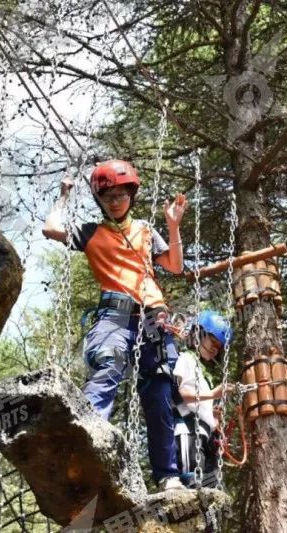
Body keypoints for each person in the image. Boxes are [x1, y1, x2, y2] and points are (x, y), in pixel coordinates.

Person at [42, 159, 189, 491]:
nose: (116, 201)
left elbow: (176, 267)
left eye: (122, 194)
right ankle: (86, 449)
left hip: (154, 317)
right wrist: (63, 197)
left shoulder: (147, 232)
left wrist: (174, 226)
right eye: (108, 196)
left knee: (161, 392)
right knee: (107, 367)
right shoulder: (92, 232)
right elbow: (51, 229)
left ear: (131, 196)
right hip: (114, 315)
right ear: (100, 201)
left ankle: (167, 476)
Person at [172, 310, 234, 488]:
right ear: (198, 334)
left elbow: (197, 401)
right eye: (213, 342)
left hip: (204, 434)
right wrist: (213, 395)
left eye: (219, 347)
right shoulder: (185, 359)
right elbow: (180, 393)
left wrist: (213, 417)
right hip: (188, 429)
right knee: (191, 482)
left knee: (211, 488)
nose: (215, 349)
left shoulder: (202, 373)